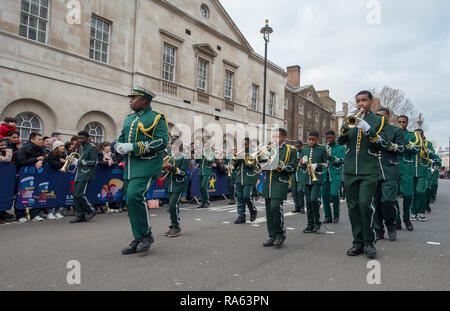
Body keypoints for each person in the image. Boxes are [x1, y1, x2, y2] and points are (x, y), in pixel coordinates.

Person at [115, 86, 168, 255]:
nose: (131, 100)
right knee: (131, 202)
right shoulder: (129, 119)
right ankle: (138, 237)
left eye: (134, 98)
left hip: (147, 165)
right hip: (130, 168)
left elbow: (162, 142)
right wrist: (119, 147)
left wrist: (134, 147)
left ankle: (146, 235)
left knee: (134, 196)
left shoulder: (156, 118)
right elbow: (121, 140)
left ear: (144, 100)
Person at [337, 90, 389, 259]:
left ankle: (369, 241)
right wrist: (346, 124)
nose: (361, 104)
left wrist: (368, 130)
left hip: (369, 170)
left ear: (371, 101)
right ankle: (357, 242)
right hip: (351, 170)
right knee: (352, 208)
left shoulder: (379, 121)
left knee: (365, 205)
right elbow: (340, 141)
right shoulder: (350, 120)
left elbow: (382, 144)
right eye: (358, 101)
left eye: (364, 100)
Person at [372, 108, 406, 241]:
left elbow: (402, 149)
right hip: (373, 170)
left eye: (382, 116)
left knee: (387, 201)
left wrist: (386, 143)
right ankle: (378, 229)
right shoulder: (370, 131)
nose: (379, 119)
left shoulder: (395, 130)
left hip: (390, 169)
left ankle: (391, 226)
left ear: (388, 117)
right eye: (377, 116)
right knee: (374, 202)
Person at [261, 128, 296, 248]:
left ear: (284, 137)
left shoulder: (290, 150)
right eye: (273, 137)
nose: (275, 139)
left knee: (275, 207)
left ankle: (280, 234)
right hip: (268, 184)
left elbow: (293, 168)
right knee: (269, 211)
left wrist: (280, 165)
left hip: (280, 182)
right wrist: (261, 162)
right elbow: (262, 167)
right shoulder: (269, 150)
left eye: (277, 137)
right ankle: (272, 236)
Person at [297, 131, 328, 233]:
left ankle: (317, 222)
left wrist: (317, 165)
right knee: (308, 203)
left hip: (317, 178)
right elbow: (300, 164)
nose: (311, 141)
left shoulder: (322, 149)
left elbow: (326, 163)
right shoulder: (304, 149)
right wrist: (302, 162)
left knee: (314, 200)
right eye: (309, 139)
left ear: (318, 140)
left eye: (313, 139)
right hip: (306, 178)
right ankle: (310, 224)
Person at [394, 115, 419, 231]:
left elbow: (416, 150)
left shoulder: (412, 136)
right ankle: (397, 220)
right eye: (399, 122)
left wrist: (406, 143)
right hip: (393, 168)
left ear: (407, 123)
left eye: (404, 122)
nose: (401, 124)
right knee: (393, 197)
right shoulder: (392, 134)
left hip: (407, 169)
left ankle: (406, 218)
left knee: (408, 195)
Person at [15, 132, 46, 222]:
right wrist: (36, 159)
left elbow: (43, 157)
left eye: (41, 139)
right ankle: (20, 214)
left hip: (36, 174)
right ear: (32, 139)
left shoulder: (41, 148)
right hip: (24, 175)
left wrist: (41, 161)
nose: (41, 141)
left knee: (35, 193)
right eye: (39, 139)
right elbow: (21, 161)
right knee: (22, 194)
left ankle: (34, 214)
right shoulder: (24, 148)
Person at [69, 131, 98, 224]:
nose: (80, 140)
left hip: (87, 173)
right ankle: (80, 215)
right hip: (79, 172)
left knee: (80, 194)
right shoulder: (80, 147)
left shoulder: (92, 147)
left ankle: (91, 209)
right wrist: (72, 160)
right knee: (75, 195)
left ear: (87, 138)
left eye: (82, 138)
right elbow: (79, 158)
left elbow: (93, 161)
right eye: (79, 138)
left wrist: (80, 162)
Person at [163, 141, 189, 238]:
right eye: (172, 148)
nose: (173, 150)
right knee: (172, 206)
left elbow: (183, 172)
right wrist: (164, 167)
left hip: (178, 184)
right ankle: (173, 226)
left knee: (173, 205)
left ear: (181, 148)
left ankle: (176, 226)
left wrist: (173, 168)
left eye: (175, 148)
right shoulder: (171, 156)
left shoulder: (184, 157)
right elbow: (165, 170)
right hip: (170, 183)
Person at [233, 138, 258, 224]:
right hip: (239, 177)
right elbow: (234, 165)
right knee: (239, 197)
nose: (244, 146)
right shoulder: (240, 153)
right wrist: (236, 158)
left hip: (248, 178)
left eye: (245, 145)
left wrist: (243, 157)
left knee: (246, 196)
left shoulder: (252, 153)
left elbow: (250, 165)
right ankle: (241, 216)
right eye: (243, 145)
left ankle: (253, 210)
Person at [322, 131, 345, 224]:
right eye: (326, 138)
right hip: (324, 175)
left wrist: (330, 157)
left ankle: (336, 215)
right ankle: (328, 217)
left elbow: (340, 161)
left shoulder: (341, 148)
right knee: (324, 197)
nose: (328, 140)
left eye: (330, 138)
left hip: (335, 174)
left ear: (335, 137)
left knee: (335, 194)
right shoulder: (323, 147)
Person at [410, 129, 433, 222]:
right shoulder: (411, 143)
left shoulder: (427, 144)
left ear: (423, 136)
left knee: (420, 192)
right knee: (412, 193)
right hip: (411, 171)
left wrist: (426, 149)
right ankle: (413, 212)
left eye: (420, 135)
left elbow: (432, 154)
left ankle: (422, 212)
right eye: (416, 135)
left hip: (422, 172)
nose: (418, 137)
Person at [46, 141, 67, 219]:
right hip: (51, 176)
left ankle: (57, 211)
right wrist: (63, 163)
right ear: (56, 148)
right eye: (60, 146)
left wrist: (65, 162)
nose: (63, 147)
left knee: (58, 193)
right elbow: (54, 165)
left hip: (59, 177)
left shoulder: (64, 155)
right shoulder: (51, 155)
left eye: (63, 146)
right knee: (51, 193)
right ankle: (50, 212)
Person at [196, 141, 215, 209]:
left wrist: (204, 155)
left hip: (207, 171)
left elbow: (210, 161)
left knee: (204, 186)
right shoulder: (202, 153)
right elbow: (197, 161)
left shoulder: (211, 153)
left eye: (207, 146)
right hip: (201, 171)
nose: (205, 147)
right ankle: (202, 202)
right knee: (201, 187)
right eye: (205, 146)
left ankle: (207, 201)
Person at [292, 140, 306, 214]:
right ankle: (296, 207)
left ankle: (302, 207)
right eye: (295, 146)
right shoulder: (293, 152)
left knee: (300, 190)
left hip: (301, 173)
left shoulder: (304, 152)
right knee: (294, 191)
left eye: (298, 146)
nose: (297, 148)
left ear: (301, 146)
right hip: (294, 174)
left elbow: (306, 162)